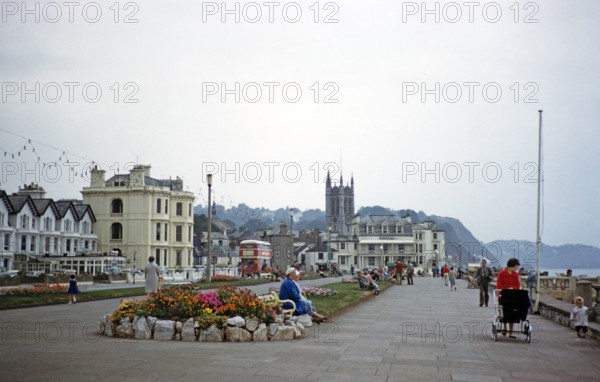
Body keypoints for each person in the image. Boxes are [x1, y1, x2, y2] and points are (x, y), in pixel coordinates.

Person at [496, 257, 521, 338]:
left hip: (513, 296)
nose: (517, 268)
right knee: (504, 312)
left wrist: (512, 288)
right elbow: (499, 285)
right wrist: (504, 291)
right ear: (513, 266)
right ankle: (504, 327)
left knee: (513, 313)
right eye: (516, 266)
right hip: (504, 296)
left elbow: (517, 285)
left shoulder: (515, 275)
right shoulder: (502, 274)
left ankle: (510, 331)